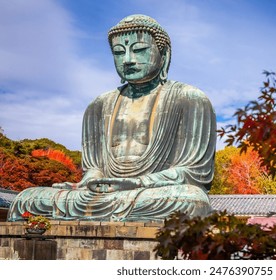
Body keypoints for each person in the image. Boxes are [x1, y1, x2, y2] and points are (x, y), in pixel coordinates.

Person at [8, 14, 216, 222]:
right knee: (26, 199)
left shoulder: (189, 98)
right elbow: (94, 168)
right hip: (104, 195)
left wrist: (137, 183)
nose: (127, 59)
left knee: (193, 200)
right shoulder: (98, 105)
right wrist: (90, 181)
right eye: (118, 52)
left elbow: (194, 173)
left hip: (152, 192)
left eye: (139, 50)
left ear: (164, 54)